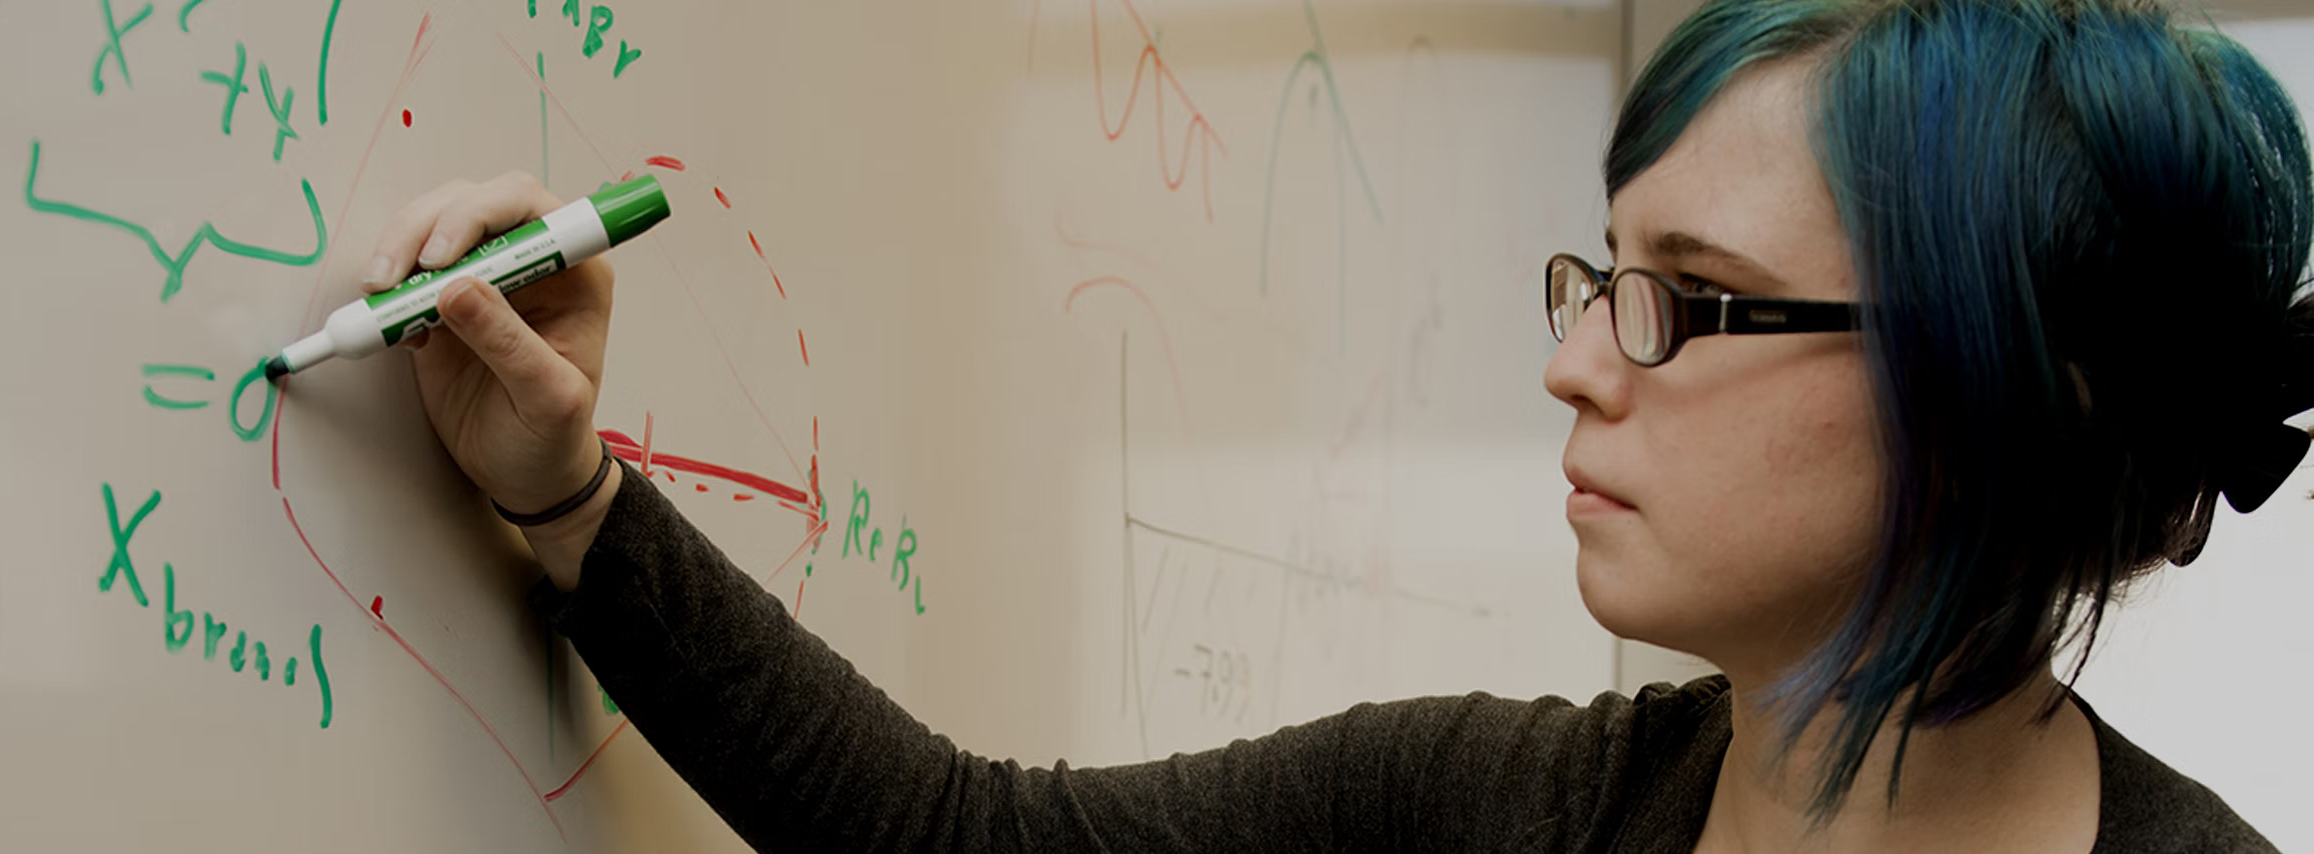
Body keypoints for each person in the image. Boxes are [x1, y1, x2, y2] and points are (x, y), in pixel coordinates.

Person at [357, 0, 2309, 849]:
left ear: (1976, 392)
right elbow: (951, 836)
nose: (1569, 360)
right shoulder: (1487, 805)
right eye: (1588, 274)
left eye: (1683, 300)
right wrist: (570, 501)